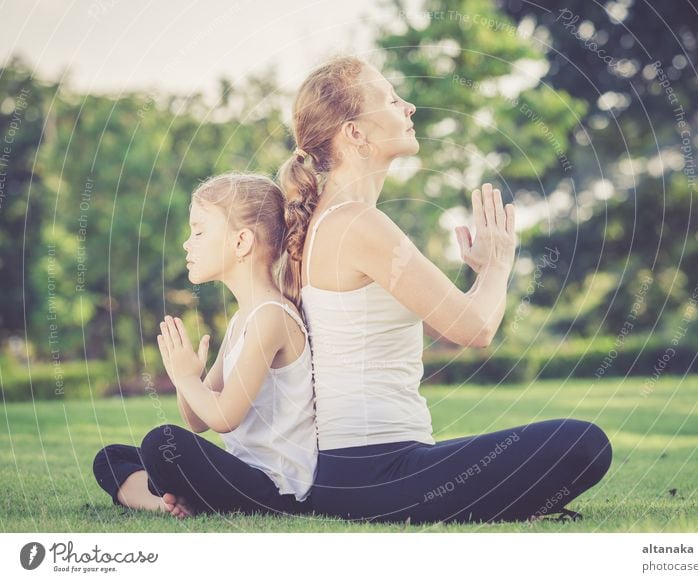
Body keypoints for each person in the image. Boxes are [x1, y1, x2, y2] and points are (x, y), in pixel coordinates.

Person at [278, 56, 613, 524]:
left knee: (562, 446)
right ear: (355, 132)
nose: (409, 106)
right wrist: (498, 265)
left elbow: (463, 318)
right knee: (584, 443)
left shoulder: (336, 218)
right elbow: (473, 328)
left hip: (371, 469)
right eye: (392, 99)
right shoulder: (357, 222)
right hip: (375, 473)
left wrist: (482, 276)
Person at [93, 173, 317, 519]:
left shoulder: (270, 317)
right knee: (111, 458)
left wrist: (186, 380)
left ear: (242, 242)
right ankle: (170, 504)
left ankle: (181, 500)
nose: (187, 243)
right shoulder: (244, 318)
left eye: (198, 231)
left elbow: (224, 417)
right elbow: (197, 420)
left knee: (161, 443)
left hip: (277, 489)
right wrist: (190, 378)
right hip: (243, 473)